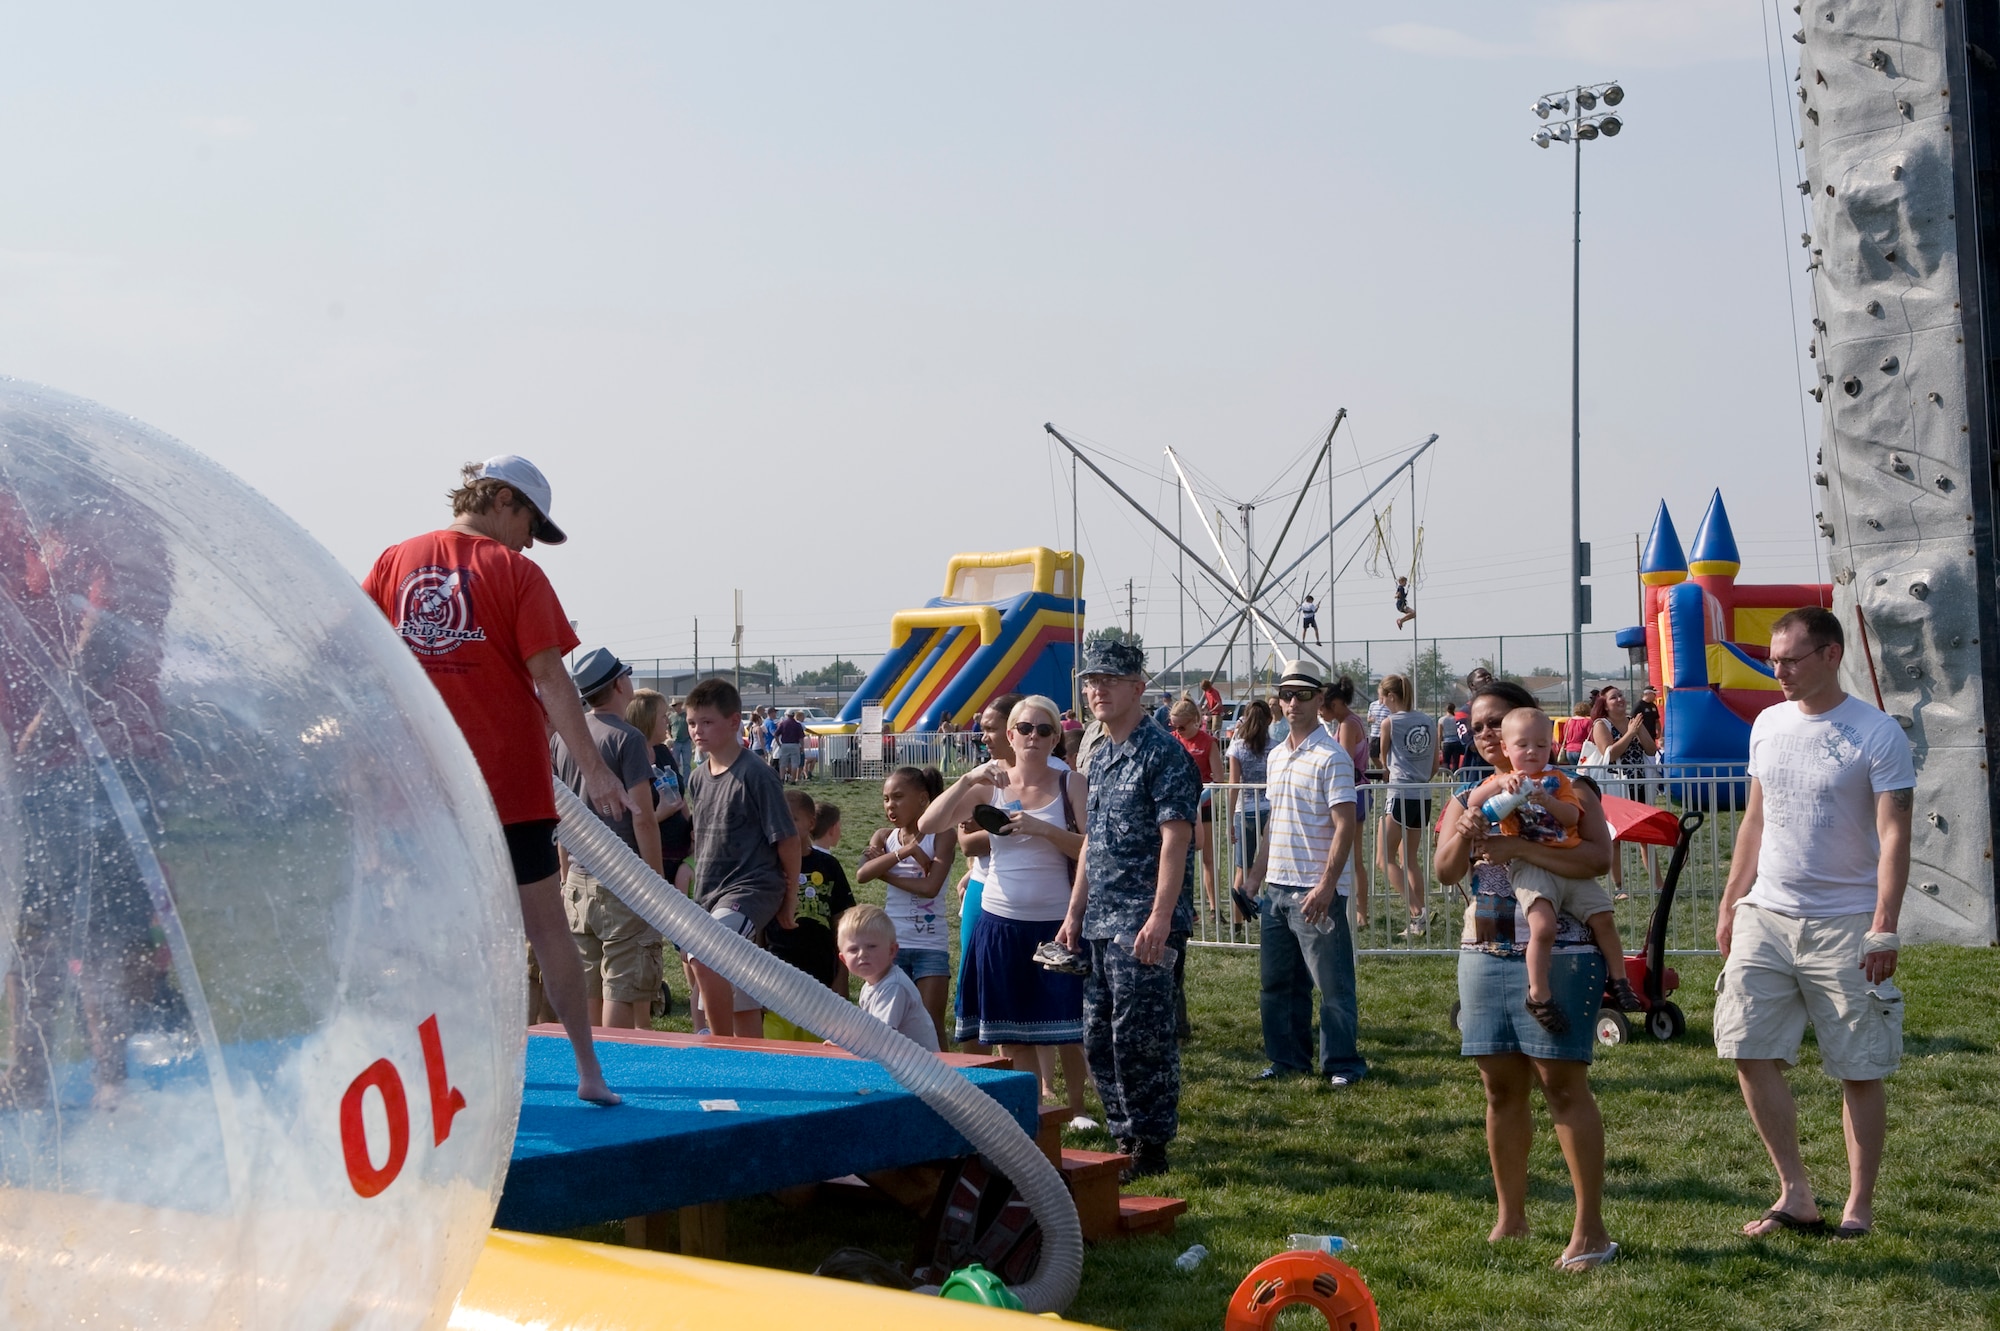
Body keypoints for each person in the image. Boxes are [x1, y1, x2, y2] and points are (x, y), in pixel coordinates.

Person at [362, 455, 623, 1105]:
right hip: (507, 787)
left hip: (419, 794)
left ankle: (434, 1073)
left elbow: (352, 656)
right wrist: (594, 769)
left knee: (429, 934)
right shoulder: (515, 572)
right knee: (544, 928)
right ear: (503, 499)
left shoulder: (394, 561)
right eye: (531, 522)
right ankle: (586, 1072)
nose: (532, 539)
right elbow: (553, 679)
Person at [1714, 607, 1913, 1240]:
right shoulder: (1768, 724)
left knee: (1859, 1067)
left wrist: (1883, 925)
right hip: (1764, 915)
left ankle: (1858, 1205)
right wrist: (1730, 900)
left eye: (1791, 659)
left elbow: (1894, 833)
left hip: (1847, 923)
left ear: (1830, 656)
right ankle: (1795, 1192)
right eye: (1773, 660)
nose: (1779, 672)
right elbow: (1755, 819)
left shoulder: (1876, 733)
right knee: (1746, 1047)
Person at [1435, 679, 1618, 1270]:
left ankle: (1589, 1230)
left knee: (1563, 1085)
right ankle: (1510, 1218)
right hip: (1485, 952)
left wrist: (1524, 853)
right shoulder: (1468, 792)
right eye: (1480, 726)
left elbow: (1597, 859)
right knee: (1499, 1088)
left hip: (1560, 954)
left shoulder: (1571, 787)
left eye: (1499, 723)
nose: (1487, 734)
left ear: (1531, 734)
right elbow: (1443, 871)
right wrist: (1466, 831)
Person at [1055, 638, 1199, 1179]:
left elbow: (1176, 840)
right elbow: (1093, 842)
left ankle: (1150, 1144)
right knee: (1097, 1035)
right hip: (1101, 919)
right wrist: (1074, 913)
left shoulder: (1164, 754)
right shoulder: (1101, 754)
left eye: (1110, 680)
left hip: (1143, 921)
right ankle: (1123, 1133)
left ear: (1138, 687)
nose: (1098, 690)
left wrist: (1160, 918)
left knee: (1140, 1035)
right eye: (1091, 681)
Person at [922, 696, 1093, 1127]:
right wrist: (965, 781)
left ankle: (1077, 1110)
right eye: (1024, 728)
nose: (1033, 737)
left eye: (1043, 729)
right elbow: (928, 825)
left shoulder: (1070, 783)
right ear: (1010, 735)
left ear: (1056, 737)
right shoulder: (990, 783)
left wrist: (1043, 829)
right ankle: (1034, 1111)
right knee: (1014, 1030)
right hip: (1000, 919)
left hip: (1057, 921)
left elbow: (1091, 848)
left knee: (1070, 1025)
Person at [1460, 708, 1643, 1031]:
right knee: (1542, 927)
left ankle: (1620, 980)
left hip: (1569, 861)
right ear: (1506, 749)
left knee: (1603, 917)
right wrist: (1502, 783)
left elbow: (1573, 818)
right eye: (1523, 745)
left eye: (1541, 745)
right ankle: (1538, 993)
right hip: (1531, 867)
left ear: (1552, 746)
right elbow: (1474, 801)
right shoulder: (1499, 782)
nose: (1532, 752)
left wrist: (1547, 800)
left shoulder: (1557, 780)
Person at [1244, 662, 1364, 1087]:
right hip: (1276, 888)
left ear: (1319, 700)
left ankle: (1342, 1065)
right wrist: (1254, 880)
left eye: (1302, 694)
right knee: (1277, 984)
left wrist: (1326, 887)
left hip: (1315, 889)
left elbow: (1345, 824)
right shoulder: (1276, 756)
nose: (1293, 702)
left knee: (1332, 986)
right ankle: (1286, 1059)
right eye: (1286, 694)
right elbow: (1274, 822)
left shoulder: (1332, 756)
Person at [552, 649, 666, 1032]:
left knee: (590, 986)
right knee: (623, 985)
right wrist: (655, 883)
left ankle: (592, 1067)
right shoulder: (628, 738)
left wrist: (567, 875)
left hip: (578, 880)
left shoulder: (565, 739)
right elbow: (644, 819)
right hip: (625, 881)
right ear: (620, 684)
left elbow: (564, 814)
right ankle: (617, 1072)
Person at [683, 677, 800, 1039]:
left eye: (707, 722)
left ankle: (720, 1048)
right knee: (741, 990)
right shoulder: (697, 778)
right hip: (710, 892)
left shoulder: (757, 774)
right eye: (691, 723)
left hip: (751, 888)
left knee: (707, 954)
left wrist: (788, 900)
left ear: (734, 722)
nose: (697, 731)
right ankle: (751, 1060)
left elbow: (788, 841)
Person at [858, 766, 958, 1048]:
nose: (891, 805)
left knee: (931, 1023)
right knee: (888, 1026)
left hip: (931, 947)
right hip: (893, 946)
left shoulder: (943, 836)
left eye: (899, 797)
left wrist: (886, 870)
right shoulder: (883, 837)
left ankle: (945, 1084)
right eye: (886, 798)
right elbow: (862, 874)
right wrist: (905, 851)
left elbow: (930, 888)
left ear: (923, 799)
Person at [951, 694, 1028, 1052]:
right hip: (985, 888)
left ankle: (1037, 1081)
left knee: (1027, 990)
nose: (983, 737)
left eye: (989, 729)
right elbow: (966, 843)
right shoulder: (983, 778)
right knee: (982, 984)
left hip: (1034, 897)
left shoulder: (1049, 777)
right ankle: (989, 1069)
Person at [766, 788, 857, 1040]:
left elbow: (842, 924)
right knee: (778, 1056)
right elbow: (759, 926)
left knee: (816, 1054)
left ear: (811, 823)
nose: (784, 826)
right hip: (776, 978)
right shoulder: (768, 865)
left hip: (821, 978)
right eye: (779, 819)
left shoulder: (828, 865)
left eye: (792, 819)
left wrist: (842, 977)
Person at [1376, 674, 1440, 938]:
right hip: (1423, 795)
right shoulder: (1428, 721)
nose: (1380, 701)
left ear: (1391, 696)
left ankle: (1417, 911)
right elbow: (1435, 765)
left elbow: (1383, 762)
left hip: (1400, 794)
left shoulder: (1389, 723)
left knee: (1384, 858)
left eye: (1382, 696)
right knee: (1409, 859)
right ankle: (1419, 922)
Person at [1585, 686, 1660, 895]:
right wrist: (1630, 734)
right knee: (1615, 837)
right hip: (1615, 784)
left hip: (1639, 782)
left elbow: (1651, 749)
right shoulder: (1602, 724)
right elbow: (1609, 753)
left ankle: (1659, 884)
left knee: (1647, 835)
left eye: (1621, 695)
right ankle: (1620, 887)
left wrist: (1638, 731)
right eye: (1614, 697)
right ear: (1605, 704)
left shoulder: (1633, 720)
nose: (1620, 699)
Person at [835, 904, 940, 1052]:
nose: (862, 954)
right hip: (901, 1065)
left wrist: (847, 1042)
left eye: (871, 946)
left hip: (919, 1070)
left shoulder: (894, 986)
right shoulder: (870, 986)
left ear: (892, 951)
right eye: (853, 949)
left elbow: (879, 1037)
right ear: (844, 959)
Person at [1319, 679, 1372, 928]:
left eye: (1324, 705)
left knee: (1354, 857)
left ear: (1336, 703)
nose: (1320, 710)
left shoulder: (1348, 724)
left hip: (1353, 793)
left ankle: (1361, 912)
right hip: (1352, 791)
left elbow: (1344, 760)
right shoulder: (1346, 722)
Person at [1225, 698, 1276, 921]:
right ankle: (1272, 918)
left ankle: (1238, 921)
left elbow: (1234, 784)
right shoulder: (1275, 747)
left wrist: (1228, 820)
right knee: (1272, 866)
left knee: (1242, 868)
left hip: (1244, 810)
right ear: (1269, 720)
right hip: (1269, 810)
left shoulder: (1237, 747)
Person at [1170, 699, 1219, 919]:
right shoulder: (1171, 741)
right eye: (1174, 727)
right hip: (1178, 810)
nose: (1178, 731)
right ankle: (1184, 905)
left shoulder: (1209, 742)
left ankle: (1214, 907)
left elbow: (1218, 779)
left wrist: (1200, 797)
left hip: (1203, 807)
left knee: (1207, 858)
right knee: (1177, 858)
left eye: (1182, 727)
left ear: (1195, 722)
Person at [776, 709, 807, 783]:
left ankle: (782, 779)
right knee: (794, 763)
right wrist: (802, 747)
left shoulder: (783, 724)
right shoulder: (797, 725)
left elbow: (776, 735)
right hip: (795, 745)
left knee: (783, 763)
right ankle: (793, 779)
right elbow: (801, 738)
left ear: (787, 715)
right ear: (793, 715)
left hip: (785, 745)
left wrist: (779, 744)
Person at [670, 697, 694, 777]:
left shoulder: (687, 716)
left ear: (680, 705)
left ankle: (686, 782)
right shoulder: (671, 717)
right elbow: (668, 728)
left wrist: (691, 738)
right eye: (673, 706)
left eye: (676, 705)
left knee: (686, 764)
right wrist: (670, 738)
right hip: (675, 742)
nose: (674, 707)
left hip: (686, 741)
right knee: (675, 763)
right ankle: (677, 780)